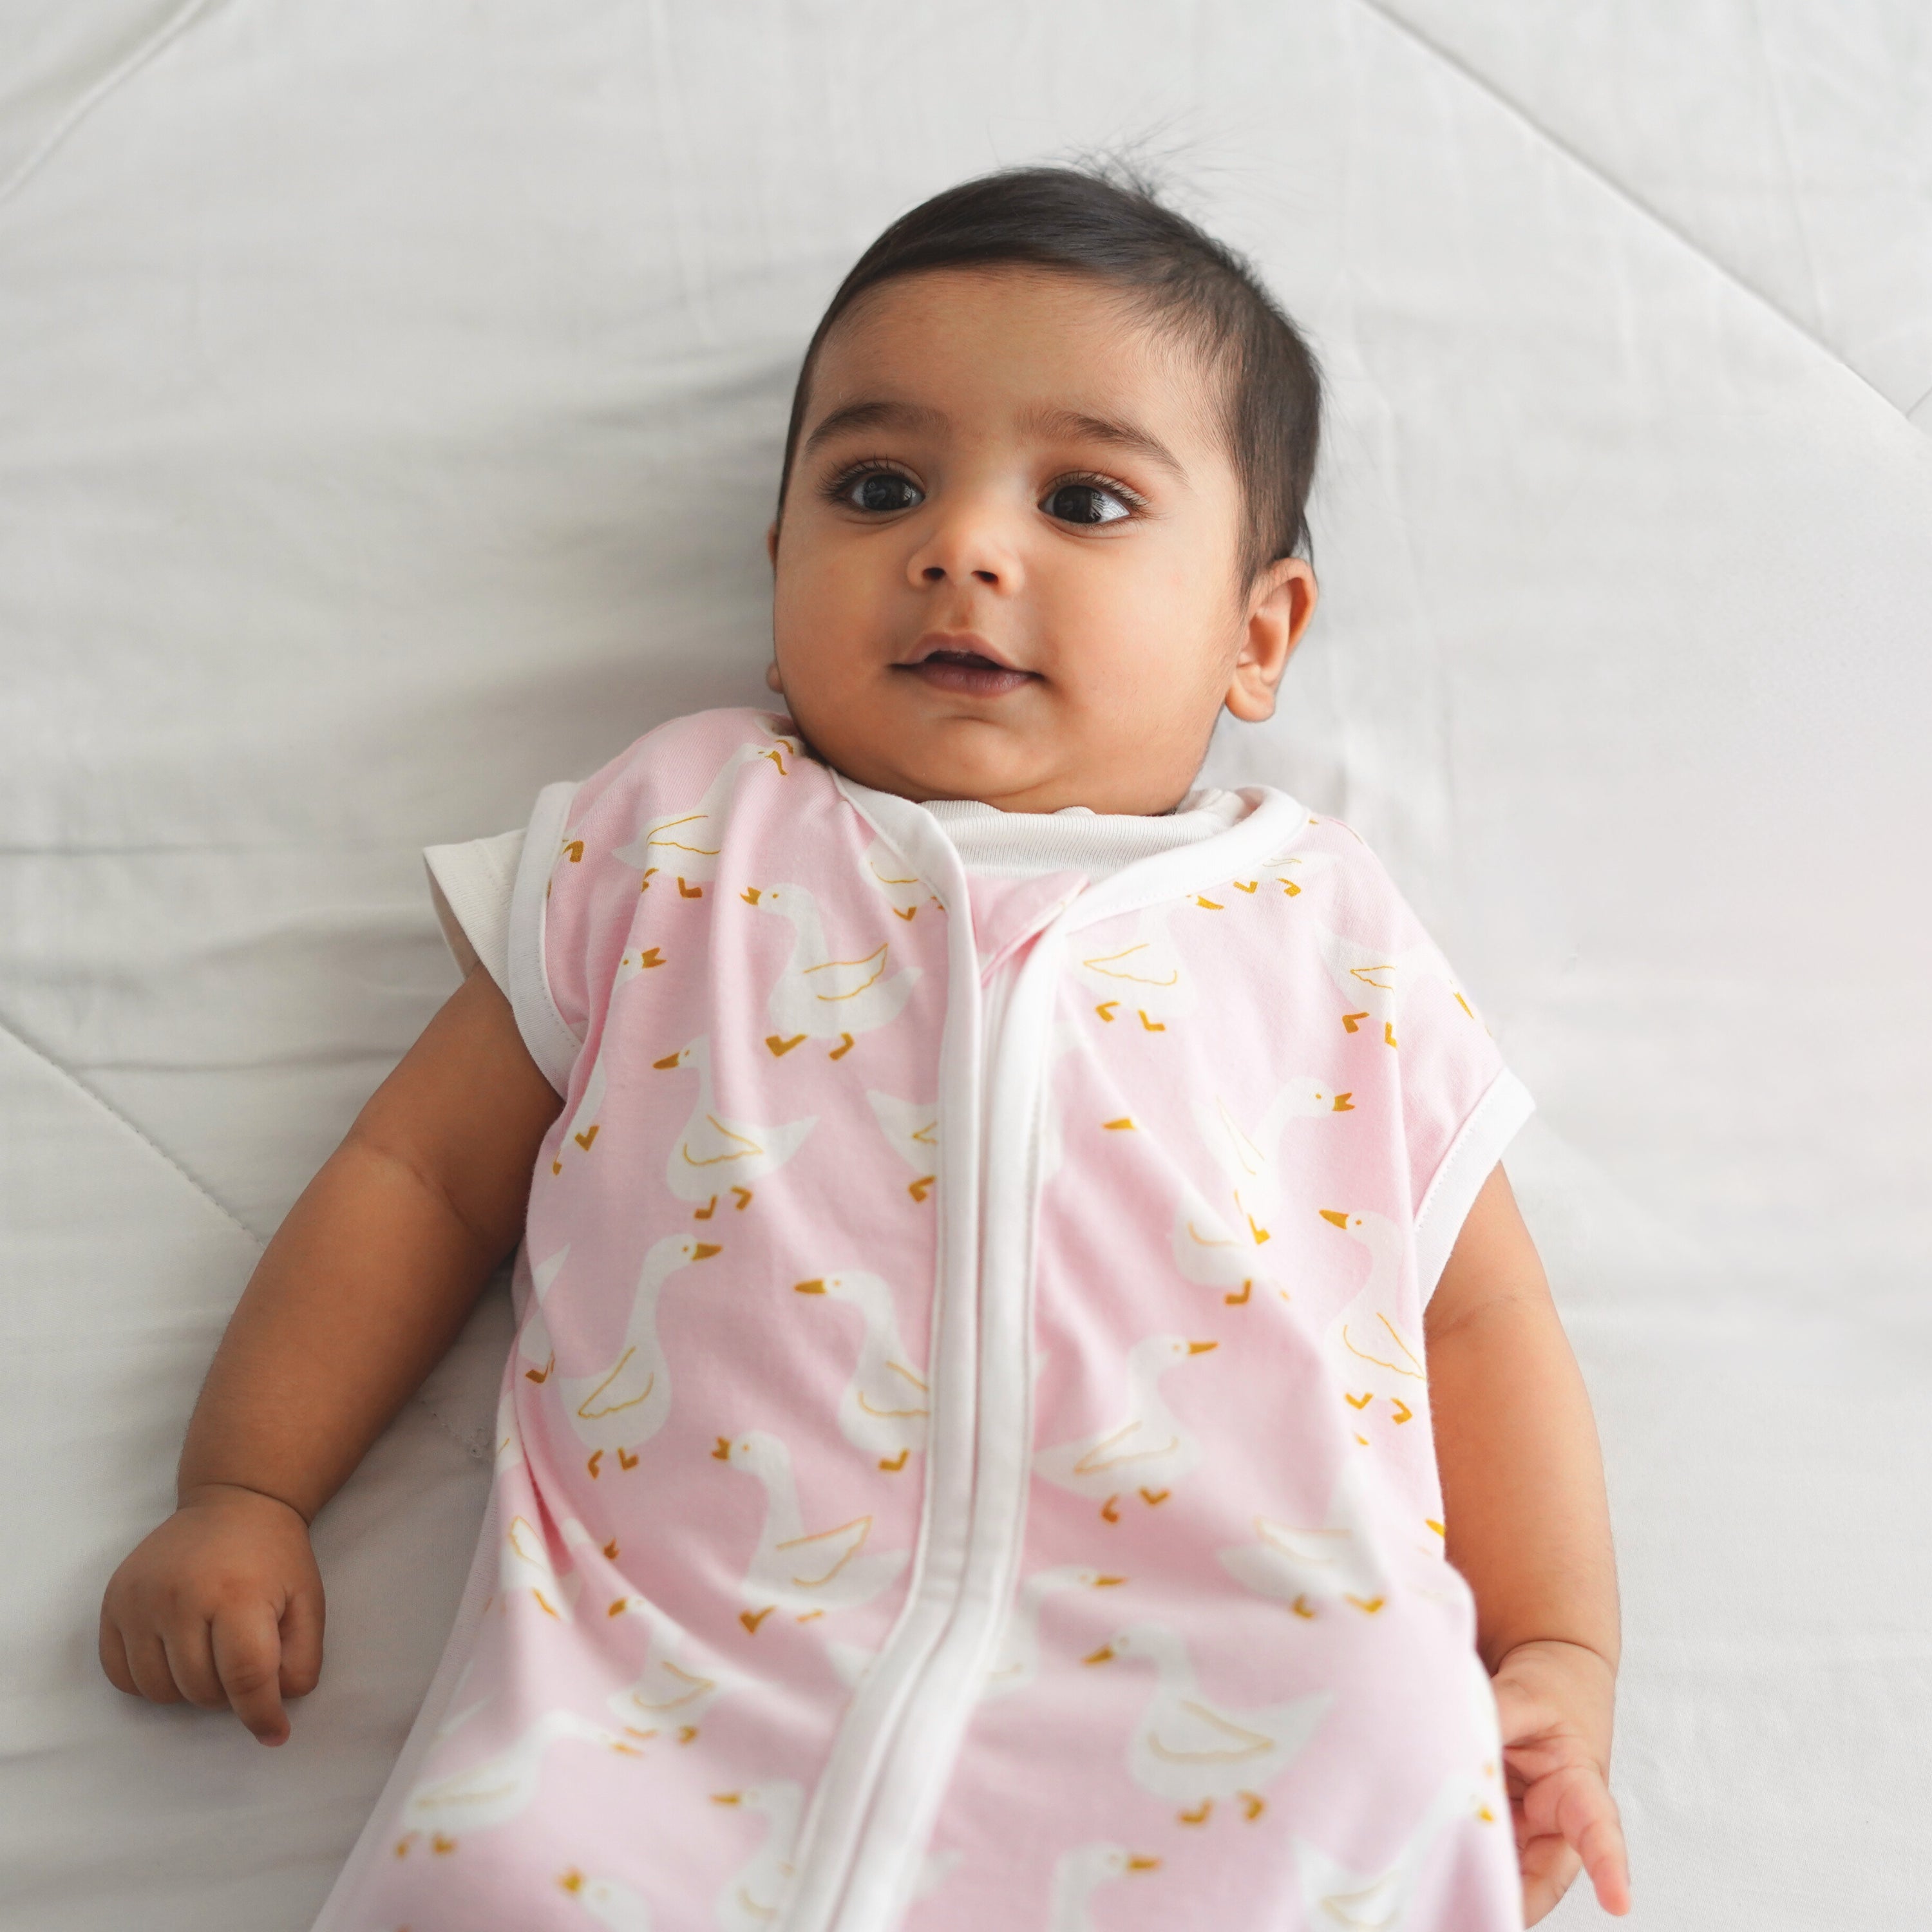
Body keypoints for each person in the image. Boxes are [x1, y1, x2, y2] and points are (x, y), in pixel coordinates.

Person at [99, 164, 1630, 1930]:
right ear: (777, 567)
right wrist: (245, 1485)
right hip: (673, 1690)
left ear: (1258, 632)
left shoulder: (1321, 925)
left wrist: (1560, 1652)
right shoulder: (674, 839)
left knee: (1376, 1753)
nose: (964, 545)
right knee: (511, 1873)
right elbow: (418, 1175)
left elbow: (1477, 1309)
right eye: (879, 484)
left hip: (1233, 1682)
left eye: (1084, 498)